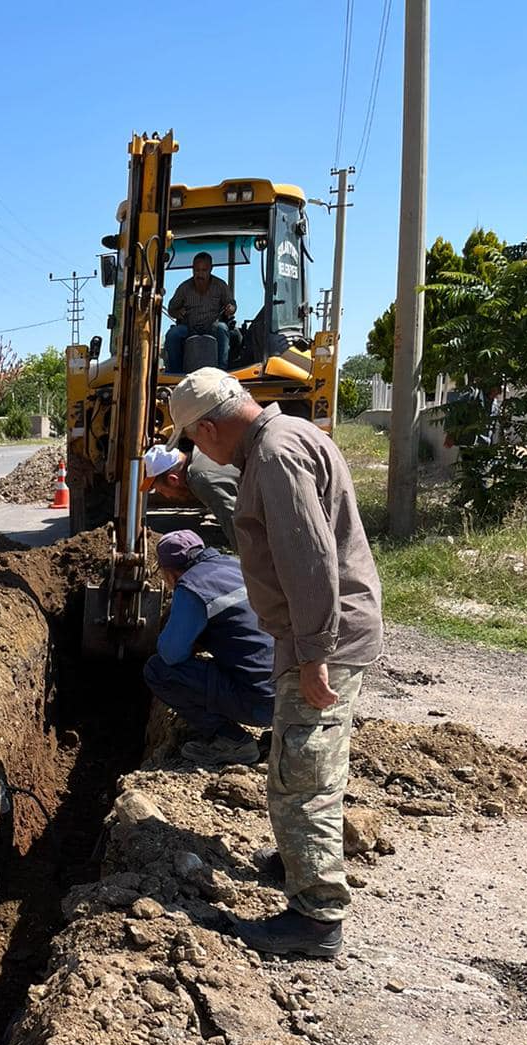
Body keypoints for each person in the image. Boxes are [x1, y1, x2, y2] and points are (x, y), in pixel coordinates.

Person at [169, 368, 383, 961]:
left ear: (210, 427)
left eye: (193, 440)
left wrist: (313, 654)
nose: (196, 453)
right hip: (323, 636)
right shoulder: (289, 435)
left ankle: (315, 921)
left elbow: (308, 562)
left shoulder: (276, 456)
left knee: (301, 779)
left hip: (322, 643)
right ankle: (298, 861)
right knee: (306, 766)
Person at [143, 529, 274, 767]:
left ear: (170, 573)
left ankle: (234, 742)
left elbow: (171, 654)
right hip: (293, 693)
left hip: (260, 704)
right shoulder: (234, 565)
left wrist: (193, 639)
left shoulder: (191, 588)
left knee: (157, 671)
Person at [142, 441, 240, 543]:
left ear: (173, 479)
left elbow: (237, 527)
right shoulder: (203, 450)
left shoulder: (202, 480)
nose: (166, 496)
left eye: (161, 490)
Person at [164, 253, 236, 373]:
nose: (200, 274)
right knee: (173, 334)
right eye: (197, 270)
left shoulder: (220, 285)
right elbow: (172, 308)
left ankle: (222, 370)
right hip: (189, 327)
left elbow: (232, 304)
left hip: (212, 326)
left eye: (204, 270)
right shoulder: (184, 287)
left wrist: (231, 308)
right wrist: (178, 313)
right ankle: (175, 373)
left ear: (211, 269)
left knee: (222, 328)